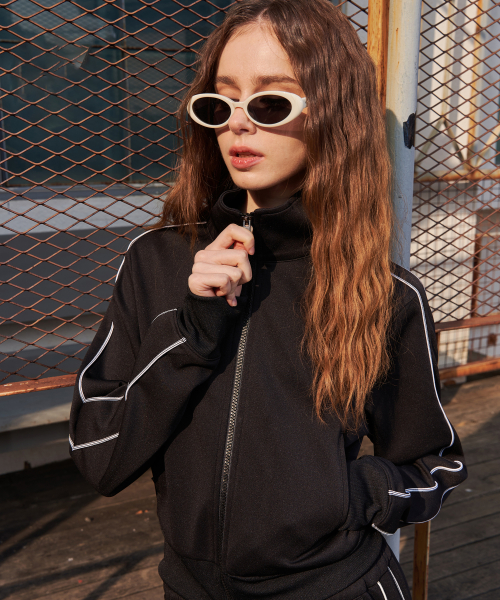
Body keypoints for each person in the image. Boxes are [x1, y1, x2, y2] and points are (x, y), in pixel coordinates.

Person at [69, 1, 467, 598]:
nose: (238, 124)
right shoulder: (157, 261)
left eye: (270, 103)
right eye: (221, 103)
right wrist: (192, 331)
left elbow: (436, 463)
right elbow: (98, 454)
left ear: (331, 113)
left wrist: (348, 494)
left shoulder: (384, 292)